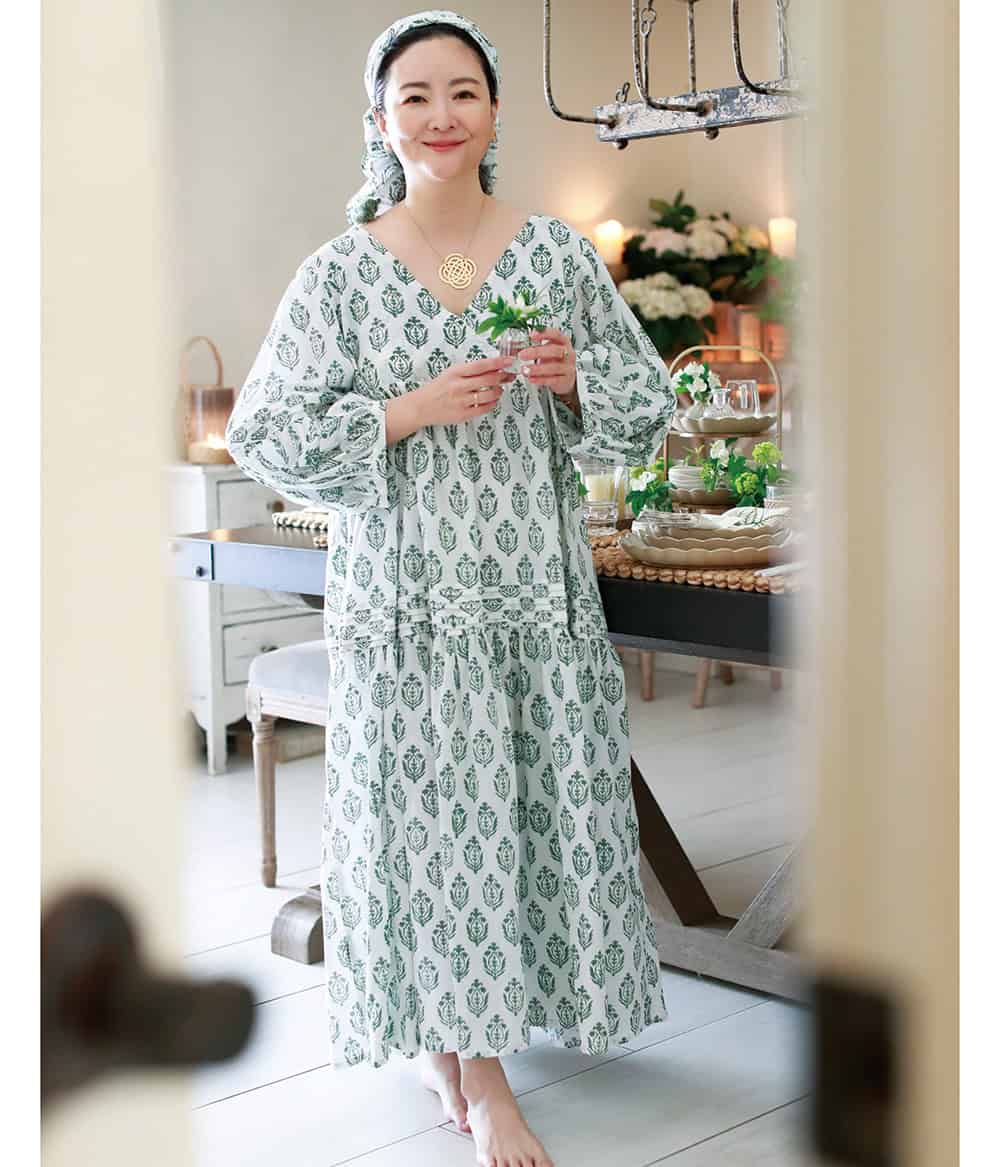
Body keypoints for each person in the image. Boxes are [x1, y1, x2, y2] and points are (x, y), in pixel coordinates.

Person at [226, 11, 676, 1167]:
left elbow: (643, 408)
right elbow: (264, 433)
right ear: (379, 120)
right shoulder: (339, 273)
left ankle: (458, 1043)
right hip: (408, 600)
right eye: (414, 96)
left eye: (462, 91)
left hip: (531, 590)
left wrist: (571, 383)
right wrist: (404, 411)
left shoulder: (555, 253)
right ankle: (478, 1075)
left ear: (494, 111)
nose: (439, 115)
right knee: (428, 819)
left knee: (521, 810)